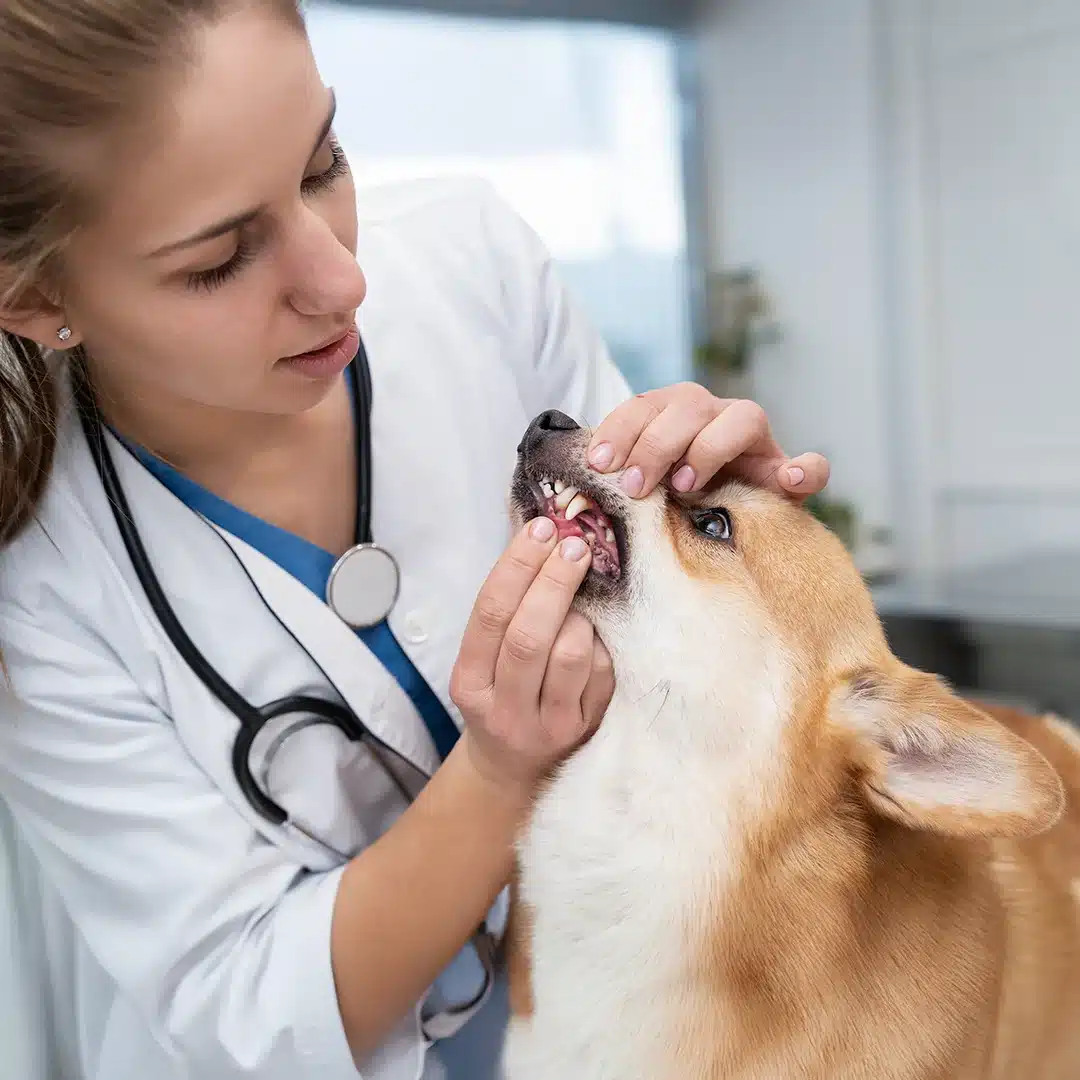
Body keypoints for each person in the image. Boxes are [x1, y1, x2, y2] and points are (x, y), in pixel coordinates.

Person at [0, 2, 830, 1079]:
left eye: (322, 162)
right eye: (218, 260)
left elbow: (682, 703)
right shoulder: (41, 585)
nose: (342, 279)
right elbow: (249, 1002)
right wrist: (499, 770)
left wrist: (729, 537)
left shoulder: (471, 264)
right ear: (32, 297)